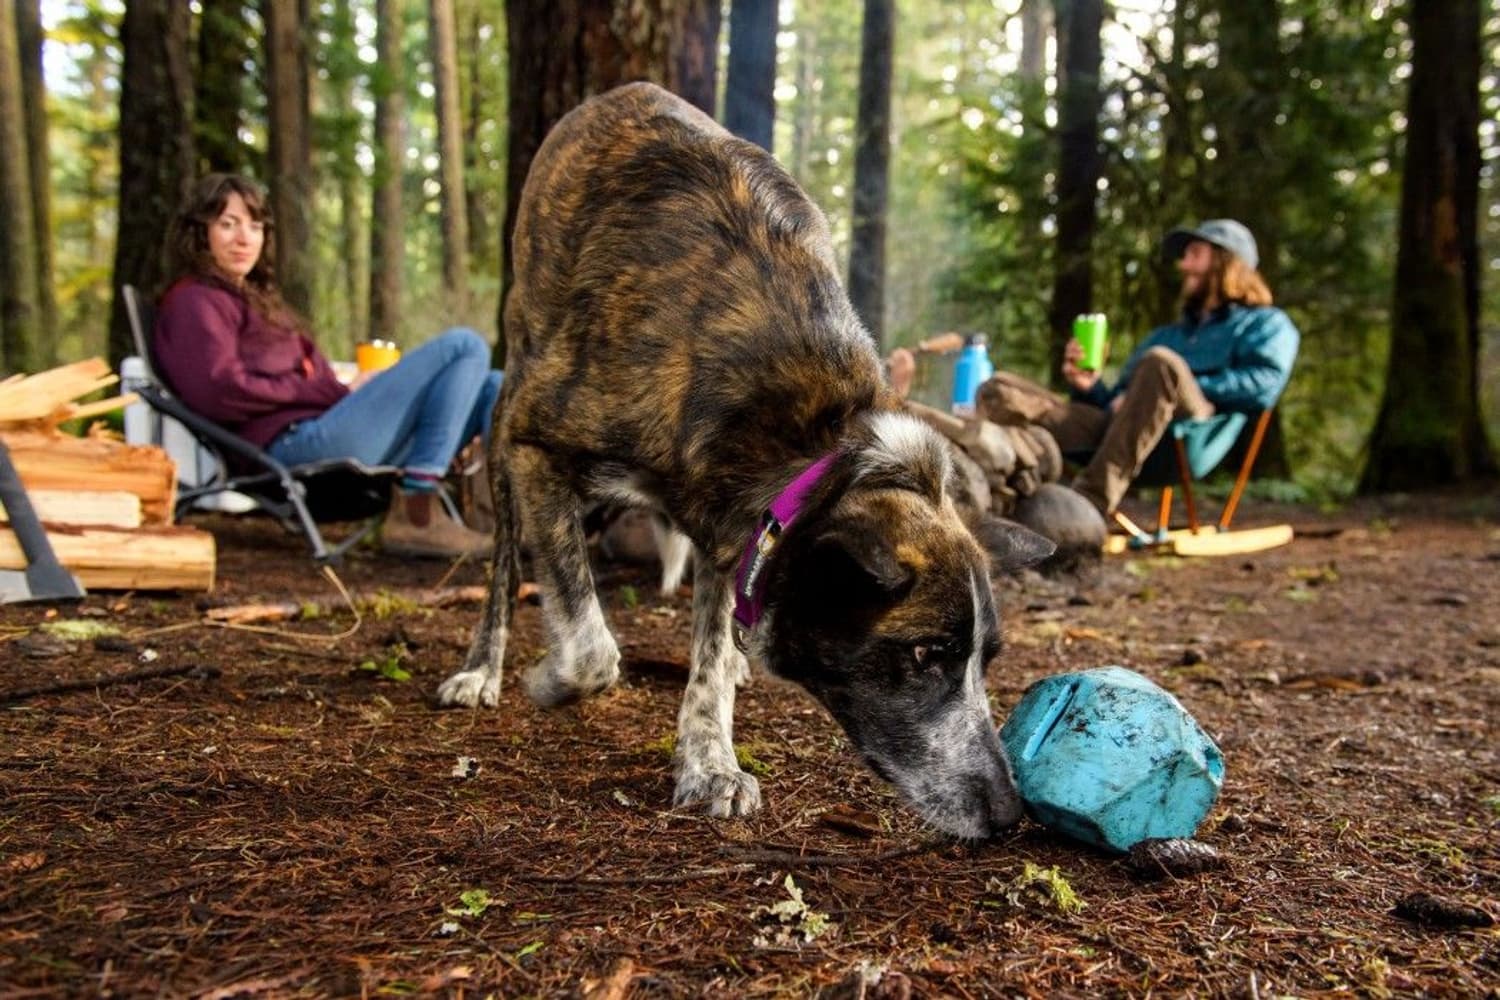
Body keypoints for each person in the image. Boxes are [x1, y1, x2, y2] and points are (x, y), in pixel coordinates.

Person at [153, 173, 502, 559]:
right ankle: (418, 511)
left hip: (326, 425)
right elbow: (219, 389)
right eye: (228, 224)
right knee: (464, 345)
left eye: (255, 226)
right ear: (200, 232)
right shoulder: (196, 302)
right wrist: (332, 390)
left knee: (495, 386)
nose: (244, 238)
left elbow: (310, 378)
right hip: (291, 445)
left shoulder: (258, 301)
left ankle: (516, 525)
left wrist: (352, 388)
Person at [976, 219, 1300, 517]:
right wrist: (1089, 387)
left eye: (1194, 254)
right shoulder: (1167, 334)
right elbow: (1114, 401)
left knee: (1160, 363)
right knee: (999, 389)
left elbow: (1266, 382)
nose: (1183, 265)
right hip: (1120, 432)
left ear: (1227, 262)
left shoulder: (1265, 323)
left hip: (1189, 436)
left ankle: (1089, 504)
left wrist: (1188, 387)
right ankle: (1004, 504)